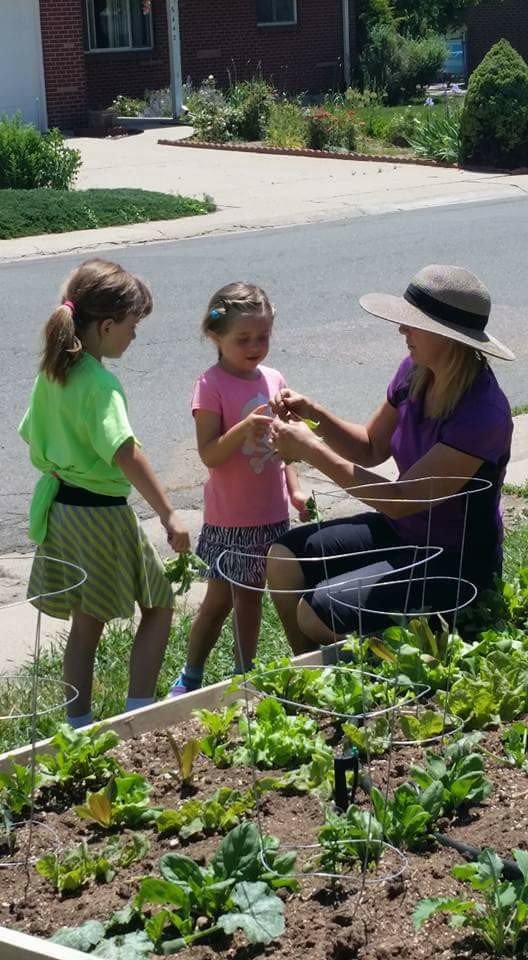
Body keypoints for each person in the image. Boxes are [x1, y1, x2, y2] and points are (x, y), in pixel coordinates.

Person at [267, 264, 515, 653]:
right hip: (406, 535)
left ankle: (412, 663)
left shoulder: (482, 413)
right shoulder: (416, 371)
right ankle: (315, 676)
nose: (402, 330)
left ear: (446, 336)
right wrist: (313, 413)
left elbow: (401, 501)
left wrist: (312, 452)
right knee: (284, 559)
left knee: (316, 612)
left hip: (456, 562)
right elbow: (369, 446)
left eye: (412, 323)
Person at [19, 258, 190, 727]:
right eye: (133, 326)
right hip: (101, 514)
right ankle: (139, 710)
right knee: (159, 603)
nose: (135, 336)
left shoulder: (52, 374)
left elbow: (31, 433)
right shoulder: (101, 385)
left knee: (86, 625)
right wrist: (169, 513)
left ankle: (78, 724)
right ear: (107, 325)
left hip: (62, 511)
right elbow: (126, 452)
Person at [169, 282, 310, 696]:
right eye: (243, 338)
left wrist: (296, 489)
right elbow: (210, 454)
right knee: (232, 601)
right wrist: (244, 428)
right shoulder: (210, 385)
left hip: (272, 514)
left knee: (237, 601)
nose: (255, 346)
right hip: (233, 518)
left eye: (263, 336)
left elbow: (283, 446)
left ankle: (222, 676)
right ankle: (220, 676)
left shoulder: (274, 378)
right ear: (216, 336)